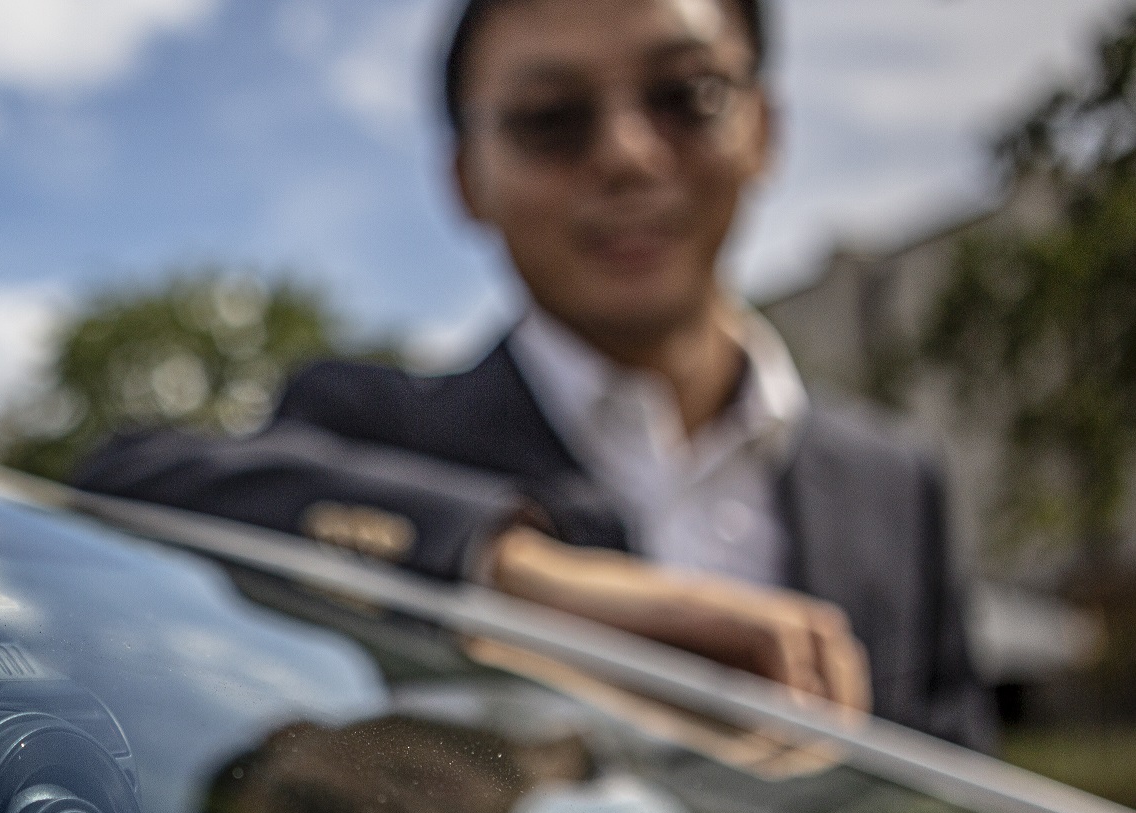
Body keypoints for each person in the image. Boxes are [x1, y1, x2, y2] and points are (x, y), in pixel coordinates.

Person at [73, 0, 995, 751]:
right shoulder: (370, 428)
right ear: (468, 179)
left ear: (764, 127)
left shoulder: (896, 484)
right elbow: (125, 485)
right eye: (551, 120)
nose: (628, 155)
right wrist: (508, 577)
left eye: (685, 94)